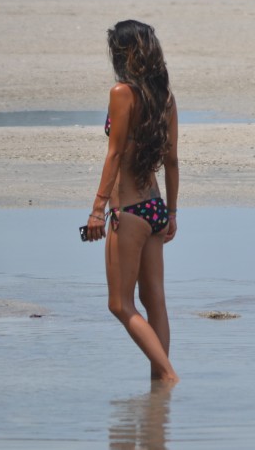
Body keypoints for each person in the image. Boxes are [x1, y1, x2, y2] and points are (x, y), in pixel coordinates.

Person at [84, 20, 180, 383]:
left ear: (124, 54)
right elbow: (171, 161)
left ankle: (168, 376)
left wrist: (97, 209)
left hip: (129, 211)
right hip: (155, 209)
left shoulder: (122, 92)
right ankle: (158, 391)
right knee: (154, 300)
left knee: (120, 304)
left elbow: (114, 154)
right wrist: (171, 212)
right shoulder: (165, 98)